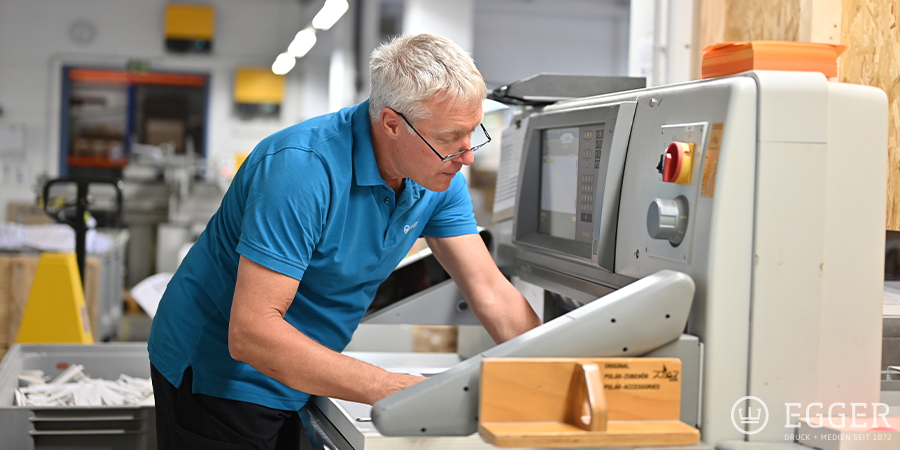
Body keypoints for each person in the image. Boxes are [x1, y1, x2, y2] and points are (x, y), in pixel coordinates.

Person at [147, 33, 542, 449]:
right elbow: (252, 332)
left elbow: (490, 291)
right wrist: (388, 386)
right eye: (448, 138)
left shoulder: (436, 177)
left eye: (473, 132)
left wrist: (556, 373)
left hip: (300, 364)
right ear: (392, 124)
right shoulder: (301, 170)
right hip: (219, 374)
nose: (467, 155)